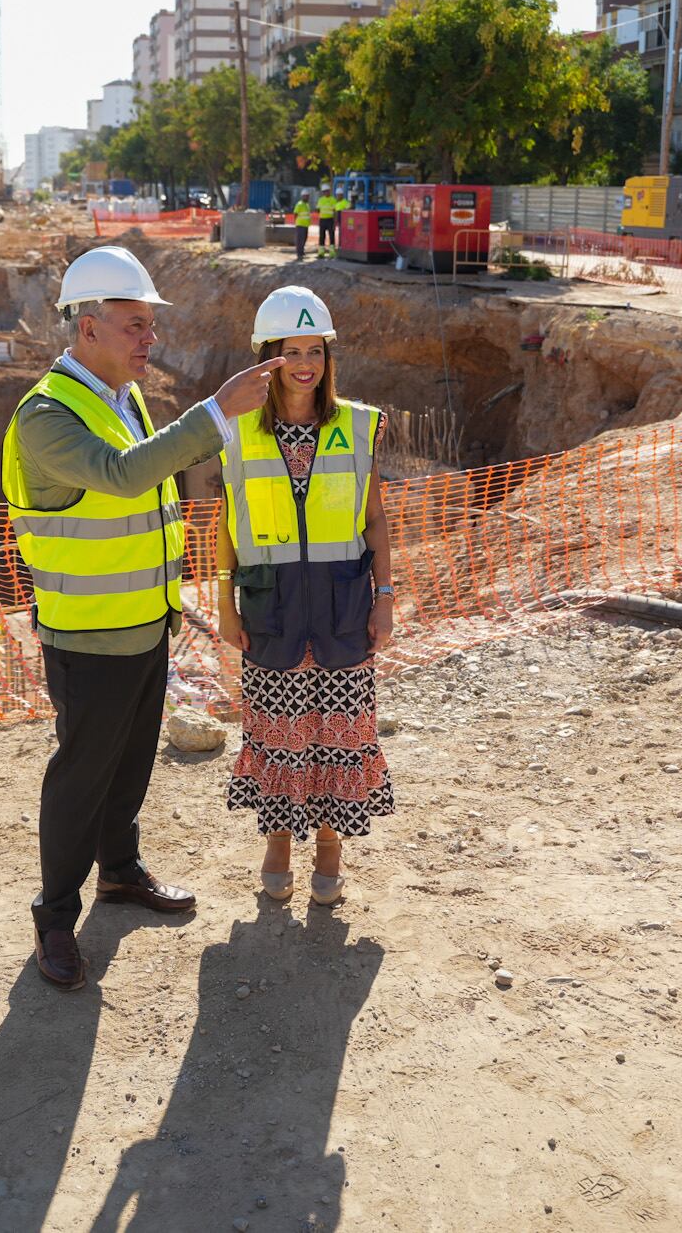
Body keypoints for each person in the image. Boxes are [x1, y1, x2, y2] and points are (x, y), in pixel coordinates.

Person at [0, 245, 288, 991]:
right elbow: (126, 477)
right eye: (134, 324)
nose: (148, 338)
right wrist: (217, 411)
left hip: (141, 623)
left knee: (128, 766)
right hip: (87, 635)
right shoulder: (45, 416)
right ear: (86, 326)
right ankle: (55, 918)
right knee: (80, 779)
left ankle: (120, 872)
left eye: (148, 324)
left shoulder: (122, 398)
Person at [215, 287, 394, 907]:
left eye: (314, 350)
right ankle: (277, 846)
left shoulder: (359, 425)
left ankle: (329, 851)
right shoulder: (234, 428)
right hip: (272, 606)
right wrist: (223, 603)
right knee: (278, 733)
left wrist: (387, 594)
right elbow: (227, 520)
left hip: (344, 606)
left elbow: (374, 519)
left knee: (336, 734)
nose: (304, 363)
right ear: (267, 356)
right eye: (290, 350)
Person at [293, 196, 312, 262]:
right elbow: (295, 213)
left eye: (308, 197)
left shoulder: (307, 205)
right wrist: (295, 222)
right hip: (300, 224)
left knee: (304, 238)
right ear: (303, 197)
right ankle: (299, 253)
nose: (307, 198)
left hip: (305, 225)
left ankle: (302, 251)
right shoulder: (299, 204)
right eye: (306, 197)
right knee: (300, 239)